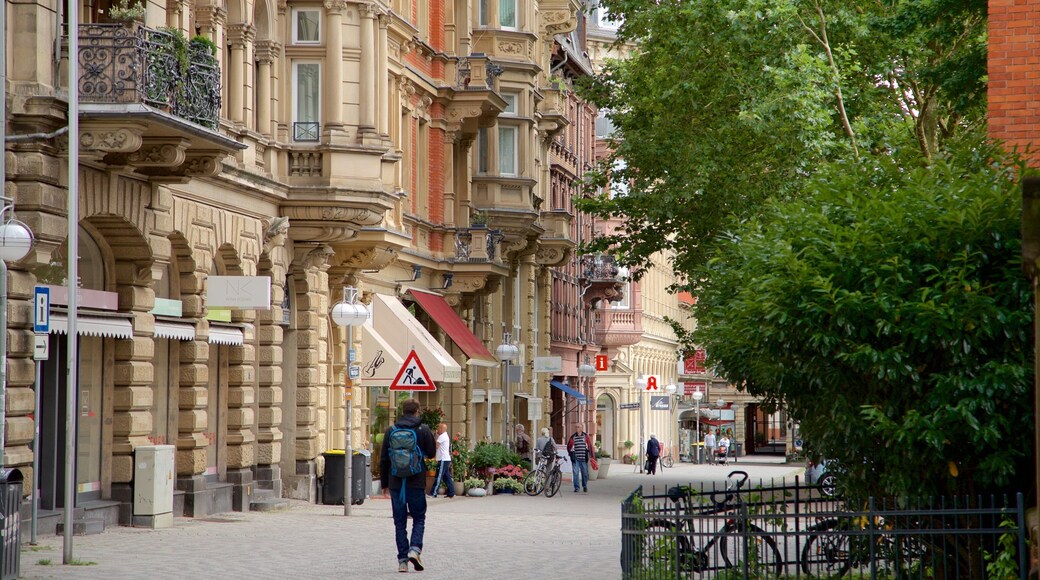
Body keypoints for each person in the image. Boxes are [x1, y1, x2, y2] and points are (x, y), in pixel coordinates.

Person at [380, 398, 437, 573]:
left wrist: (384, 484)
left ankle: (402, 561)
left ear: (402, 411)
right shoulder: (423, 429)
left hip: (396, 481)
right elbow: (432, 453)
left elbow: (384, 459)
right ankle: (415, 549)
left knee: (399, 522)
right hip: (416, 481)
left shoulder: (391, 430)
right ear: (417, 411)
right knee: (419, 518)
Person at [428, 423, 455, 499]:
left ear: (442, 429)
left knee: (439, 476)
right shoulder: (445, 436)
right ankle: (451, 492)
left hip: (443, 459)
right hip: (445, 458)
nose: (437, 429)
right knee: (446, 477)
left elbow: (436, 446)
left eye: (439, 428)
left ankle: (433, 493)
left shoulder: (442, 436)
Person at [567, 423, 594, 493]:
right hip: (575, 458)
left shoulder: (585, 436)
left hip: (583, 458)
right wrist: (571, 454)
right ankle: (576, 487)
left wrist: (591, 455)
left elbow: (589, 446)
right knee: (575, 473)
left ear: (581, 428)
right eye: (576, 427)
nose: (577, 428)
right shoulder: (573, 437)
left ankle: (584, 486)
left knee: (584, 473)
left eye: (578, 427)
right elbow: (569, 446)